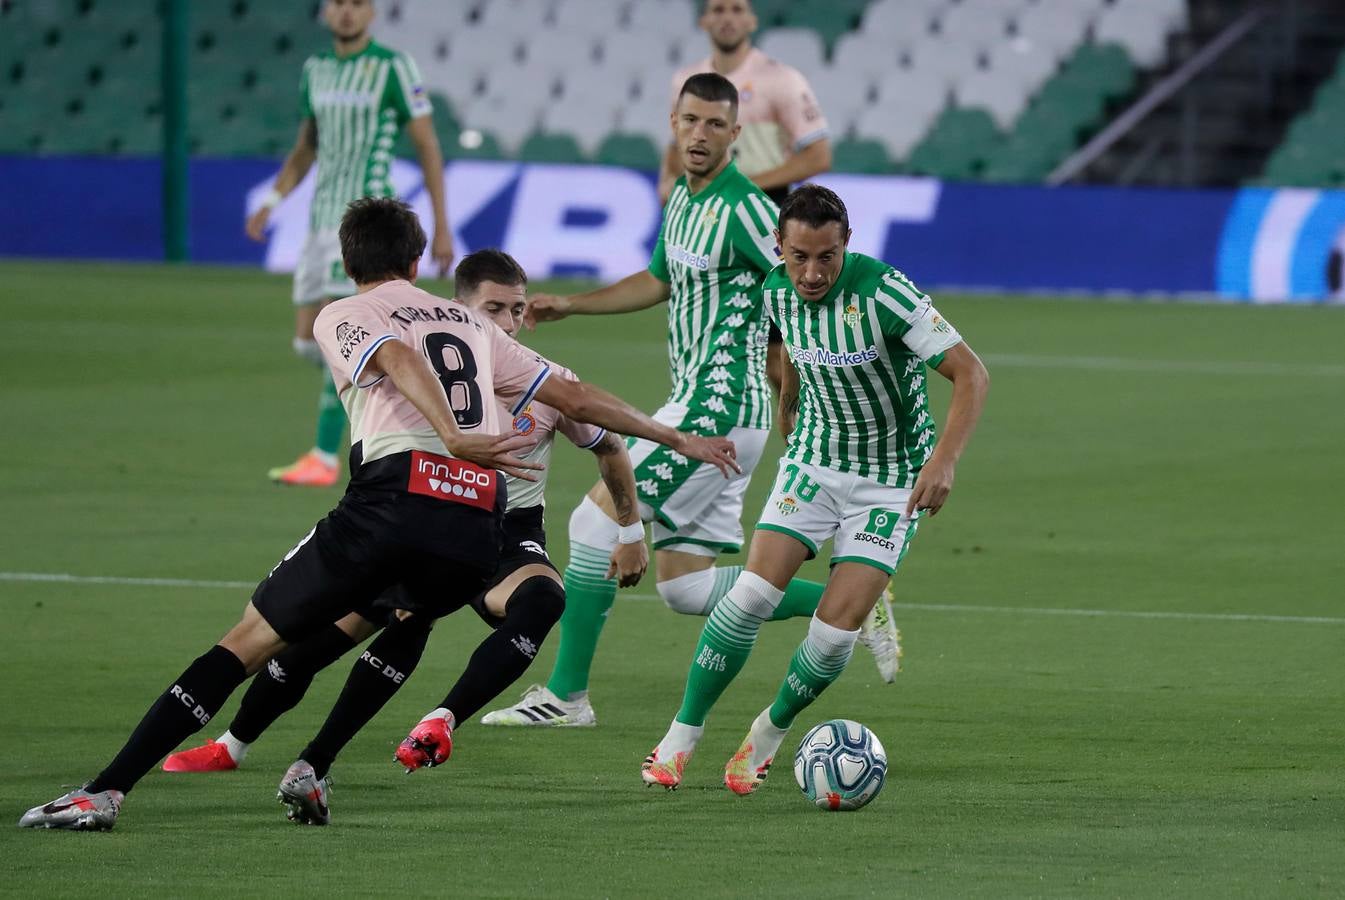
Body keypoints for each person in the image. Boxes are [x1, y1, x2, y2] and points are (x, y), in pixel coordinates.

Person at [18, 198, 737, 831]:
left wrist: (450, 433)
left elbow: (393, 355)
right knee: (405, 616)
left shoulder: (346, 314)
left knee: (247, 643)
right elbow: (578, 400)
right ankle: (312, 767)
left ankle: (103, 793)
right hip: (473, 524)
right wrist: (673, 434)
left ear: (346, 258)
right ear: (418, 260)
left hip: (396, 497)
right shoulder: (472, 324)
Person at [158, 249, 649, 824]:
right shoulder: (416, 367)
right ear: (457, 309)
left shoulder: (542, 380)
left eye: (518, 310)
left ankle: (416, 728)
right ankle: (234, 744)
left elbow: (609, 445)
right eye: (495, 308)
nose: (509, 322)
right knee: (318, 641)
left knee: (541, 599)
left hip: (504, 536)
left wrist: (632, 530)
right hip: (426, 515)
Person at [481, 73, 897, 732]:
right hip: (696, 402)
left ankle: (566, 697)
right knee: (683, 587)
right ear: (672, 122)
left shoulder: (748, 211)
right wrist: (573, 304)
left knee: (594, 528)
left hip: (720, 409)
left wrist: (794, 394)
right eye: (690, 121)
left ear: (736, 135)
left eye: (714, 125)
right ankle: (853, 601)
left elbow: (797, 295)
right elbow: (657, 280)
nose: (699, 135)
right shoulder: (680, 197)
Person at [640, 184, 989, 792]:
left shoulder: (885, 293)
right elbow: (788, 345)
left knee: (830, 640)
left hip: (890, 479)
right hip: (814, 463)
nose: (811, 271)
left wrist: (945, 461)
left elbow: (971, 373)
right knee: (749, 595)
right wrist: (786, 393)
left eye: (826, 256)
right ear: (780, 246)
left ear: (846, 244)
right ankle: (681, 735)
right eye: (799, 256)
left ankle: (768, 732)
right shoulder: (775, 287)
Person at [249, 0, 455, 488]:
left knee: (343, 330)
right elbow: (307, 146)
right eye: (339, 4)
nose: (346, 12)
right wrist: (273, 198)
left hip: (366, 221)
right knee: (309, 340)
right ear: (326, 13)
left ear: (371, 13)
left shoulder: (392, 67)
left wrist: (442, 224)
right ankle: (400, 380)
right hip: (321, 223)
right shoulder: (315, 69)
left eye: (357, 4)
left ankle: (326, 454)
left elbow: (427, 144)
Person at [661, 0, 833, 395]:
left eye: (737, 9)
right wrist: (667, 180)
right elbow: (676, 143)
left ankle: (811, 446)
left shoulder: (781, 79)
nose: (727, 18)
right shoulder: (686, 79)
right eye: (718, 9)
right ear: (704, 20)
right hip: (706, 210)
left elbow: (818, 154)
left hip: (763, 213)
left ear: (752, 20)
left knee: (779, 360)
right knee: (712, 343)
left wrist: (746, 183)